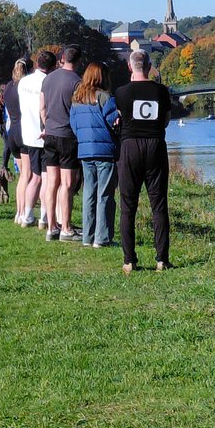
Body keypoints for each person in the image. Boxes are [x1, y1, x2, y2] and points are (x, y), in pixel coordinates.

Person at [115, 49, 173, 272]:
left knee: (128, 205)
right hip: (155, 146)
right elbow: (166, 121)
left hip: (130, 147)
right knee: (158, 204)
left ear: (130, 67)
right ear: (149, 67)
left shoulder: (121, 92)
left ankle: (129, 260)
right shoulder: (161, 91)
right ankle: (162, 259)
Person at [69, 62, 119, 248]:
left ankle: (87, 237)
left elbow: (74, 126)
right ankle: (102, 237)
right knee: (104, 195)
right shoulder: (105, 98)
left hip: (85, 152)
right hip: (105, 152)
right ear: (102, 77)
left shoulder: (77, 99)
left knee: (88, 193)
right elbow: (114, 123)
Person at [39, 44, 82, 242]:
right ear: (79, 60)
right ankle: (66, 227)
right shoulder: (77, 82)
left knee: (51, 183)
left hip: (49, 134)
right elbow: (80, 111)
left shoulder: (48, 79)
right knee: (67, 184)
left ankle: (51, 227)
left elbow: (42, 106)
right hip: (67, 135)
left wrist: (46, 124)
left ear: (63, 58)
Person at [17, 50, 54, 227]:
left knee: (34, 177)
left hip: (28, 134)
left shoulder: (23, 82)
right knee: (47, 179)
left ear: (37, 64)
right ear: (53, 66)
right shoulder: (48, 82)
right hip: (44, 135)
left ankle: (27, 215)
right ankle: (44, 217)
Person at [3, 58, 30, 224]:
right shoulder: (25, 88)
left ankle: (18, 212)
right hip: (23, 130)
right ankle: (24, 212)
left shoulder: (8, 87)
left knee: (22, 176)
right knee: (28, 175)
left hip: (11, 131)